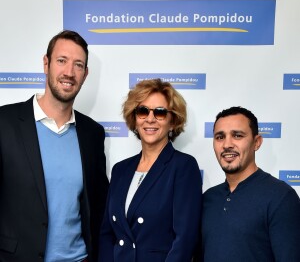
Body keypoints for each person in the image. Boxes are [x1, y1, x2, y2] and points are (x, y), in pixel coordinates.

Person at [0, 30, 109, 262]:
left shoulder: (92, 134)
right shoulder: (4, 123)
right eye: (62, 61)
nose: (69, 72)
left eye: (78, 65)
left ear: (85, 74)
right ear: (46, 63)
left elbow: (98, 207)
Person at [98, 78, 202, 262]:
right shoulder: (120, 170)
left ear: (172, 121)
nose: (150, 118)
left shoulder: (183, 167)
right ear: (134, 118)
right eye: (143, 111)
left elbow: (184, 240)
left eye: (160, 112)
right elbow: (107, 234)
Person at [201, 106, 300, 262]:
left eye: (237, 135)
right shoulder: (207, 199)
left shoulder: (281, 197)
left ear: (257, 142)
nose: (227, 144)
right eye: (220, 137)